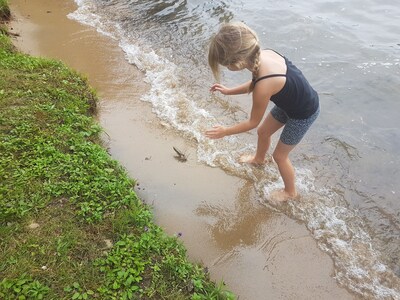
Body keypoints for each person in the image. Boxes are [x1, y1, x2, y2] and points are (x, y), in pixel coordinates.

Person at [205, 22, 320, 201]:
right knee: (263, 132)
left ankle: (291, 192)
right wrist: (229, 90)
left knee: (280, 156)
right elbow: (256, 83)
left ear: (239, 62)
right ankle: (259, 159)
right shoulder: (262, 56)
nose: (227, 68)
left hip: (303, 113)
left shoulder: (265, 84)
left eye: (226, 65)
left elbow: (252, 121)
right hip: (289, 102)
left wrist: (225, 132)